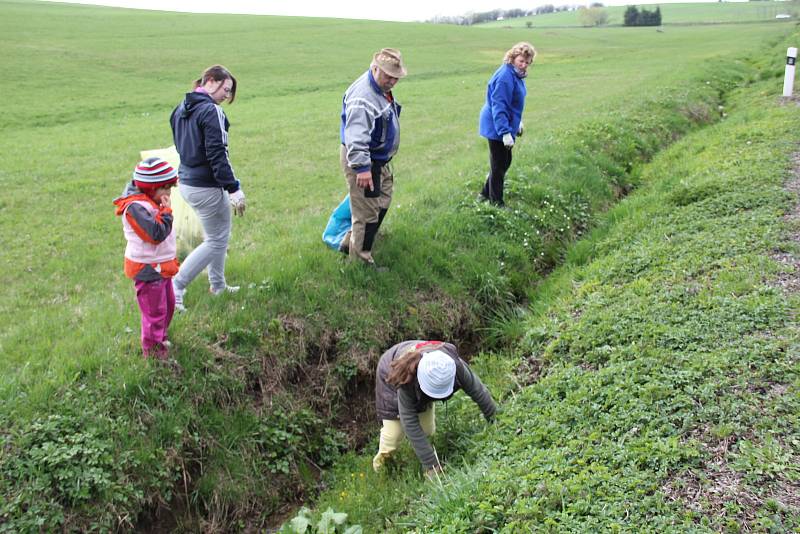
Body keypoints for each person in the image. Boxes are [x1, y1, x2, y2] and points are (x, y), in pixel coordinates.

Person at [170, 64, 245, 311]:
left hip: (188, 183)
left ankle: (218, 286)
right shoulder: (211, 111)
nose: (227, 95)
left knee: (217, 236)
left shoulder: (179, 109)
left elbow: (181, 148)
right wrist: (233, 188)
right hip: (207, 186)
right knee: (216, 240)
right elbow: (217, 154)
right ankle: (176, 286)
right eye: (226, 89)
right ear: (210, 81)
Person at [373, 340, 497, 475]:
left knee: (427, 430)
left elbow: (477, 390)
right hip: (392, 374)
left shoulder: (454, 365)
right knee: (393, 435)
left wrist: (495, 420)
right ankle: (381, 470)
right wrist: (431, 466)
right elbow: (409, 420)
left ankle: (415, 454)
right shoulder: (406, 378)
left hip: (421, 380)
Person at [339, 48, 406, 266]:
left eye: (396, 77)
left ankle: (350, 242)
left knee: (382, 201)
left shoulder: (380, 86)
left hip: (378, 159)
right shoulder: (363, 96)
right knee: (366, 214)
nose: (392, 81)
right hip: (365, 161)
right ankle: (361, 262)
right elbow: (356, 136)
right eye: (388, 76)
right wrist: (362, 168)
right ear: (374, 68)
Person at [113, 157, 179, 360]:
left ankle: (161, 339)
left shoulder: (151, 201)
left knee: (169, 304)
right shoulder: (135, 208)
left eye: (170, 189)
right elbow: (155, 234)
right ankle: (154, 355)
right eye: (164, 189)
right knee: (155, 313)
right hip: (148, 268)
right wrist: (166, 213)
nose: (168, 194)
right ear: (150, 188)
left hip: (160, 266)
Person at [478, 42, 536, 206]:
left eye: (527, 62)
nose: (524, 65)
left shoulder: (516, 74)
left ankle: (484, 194)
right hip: (496, 124)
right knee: (499, 164)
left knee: (504, 162)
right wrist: (504, 132)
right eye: (521, 61)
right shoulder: (505, 77)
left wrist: (517, 122)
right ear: (513, 57)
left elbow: (513, 102)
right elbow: (500, 106)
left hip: (505, 122)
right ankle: (496, 203)